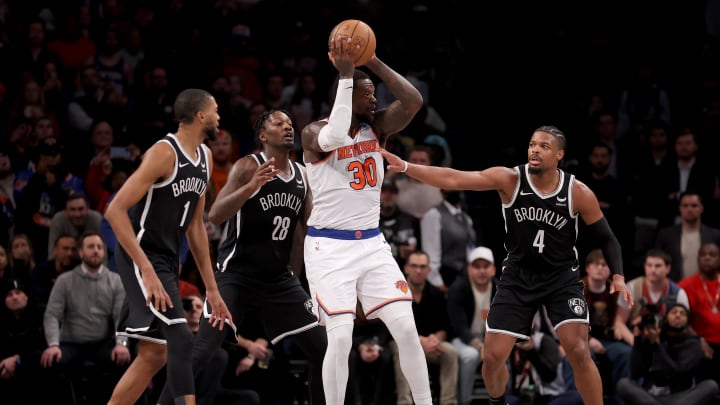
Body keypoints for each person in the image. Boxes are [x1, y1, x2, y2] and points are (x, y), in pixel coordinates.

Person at [380, 125, 633, 405]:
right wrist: (405, 166)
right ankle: (498, 401)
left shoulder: (577, 192)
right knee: (492, 357)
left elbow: (607, 238)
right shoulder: (510, 179)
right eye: (532, 144)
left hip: (561, 277)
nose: (535, 149)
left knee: (578, 350)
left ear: (560, 154)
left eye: (544, 146)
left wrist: (618, 275)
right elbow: (454, 178)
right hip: (518, 277)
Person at [156, 109, 328, 404]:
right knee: (203, 351)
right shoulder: (249, 165)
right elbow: (217, 214)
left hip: (277, 280)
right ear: (263, 135)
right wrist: (251, 187)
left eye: (290, 123)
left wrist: (298, 276)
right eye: (278, 123)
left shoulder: (301, 174)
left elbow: (306, 228)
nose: (287, 127)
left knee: (325, 352)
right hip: (236, 276)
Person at [300, 36, 430, 405]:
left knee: (406, 328)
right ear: (346, 94)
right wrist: (345, 74)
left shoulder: (379, 128)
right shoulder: (313, 133)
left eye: (375, 92)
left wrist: (372, 62)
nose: (376, 99)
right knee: (340, 338)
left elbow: (414, 101)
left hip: (372, 244)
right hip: (329, 247)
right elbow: (336, 135)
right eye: (369, 93)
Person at [104, 88, 233, 405]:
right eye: (215, 109)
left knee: (154, 354)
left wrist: (212, 289)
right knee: (180, 339)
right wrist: (146, 270)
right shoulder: (164, 152)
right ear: (200, 115)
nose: (219, 116)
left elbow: (196, 228)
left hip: (166, 258)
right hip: (140, 254)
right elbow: (114, 211)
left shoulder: (206, 156)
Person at [41, 232, 130, 404]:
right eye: (90, 247)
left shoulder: (116, 280)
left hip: (102, 343)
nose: (95, 251)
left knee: (125, 358)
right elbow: (52, 314)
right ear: (81, 253)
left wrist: (122, 344)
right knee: (49, 361)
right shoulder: (65, 280)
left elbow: (122, 317)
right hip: (71, 344)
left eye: (99, 247)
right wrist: (53, 345)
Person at [615, 303, 719, 405]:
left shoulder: (693, 344)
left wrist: (657, 345)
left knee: (711, 386)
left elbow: (676, 373)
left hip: (680, 397)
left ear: (687, 321)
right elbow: (636, 373)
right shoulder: (652, 338)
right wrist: (637, 340)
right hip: (650, 396)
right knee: (623, 384)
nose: (678, 315)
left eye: (682, 313)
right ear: (665, 318)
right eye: (674, 312)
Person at [392, 250, 459, 405]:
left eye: (423, 267)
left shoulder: (436, 294)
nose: (418, 270)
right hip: (402, 342)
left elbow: (445, 326)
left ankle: (448, 402)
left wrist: (436, 339)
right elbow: (393, 327)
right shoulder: (395, 294)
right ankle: (405, 402)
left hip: (429, 346)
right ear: (406, 268)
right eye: (414, 266)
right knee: (400, 348)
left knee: (450, 352)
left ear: (429, 270)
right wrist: (420, 341)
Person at [447, 246, 499, 405]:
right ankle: (464, 401)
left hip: (490, 340)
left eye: (486, 266)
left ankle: (502, 399)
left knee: (502, 356)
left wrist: (490, 346)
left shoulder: (500, 290)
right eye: (477, 266)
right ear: (469, 269)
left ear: (494, 270)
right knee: (470, 356)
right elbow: (459, 327)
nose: (482, 271)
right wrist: (480, 346)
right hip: (462, 339)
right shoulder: (458, 289)